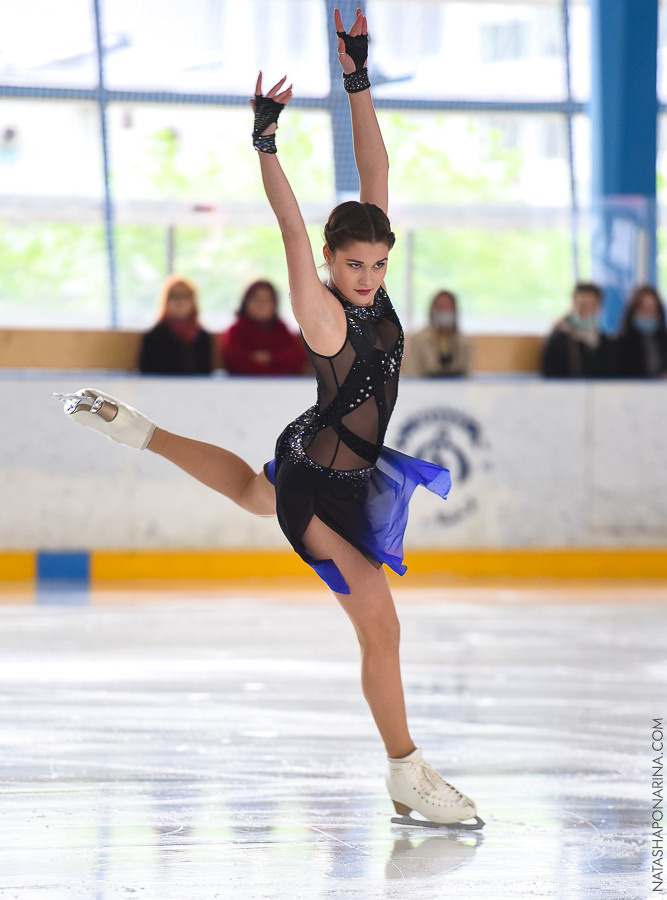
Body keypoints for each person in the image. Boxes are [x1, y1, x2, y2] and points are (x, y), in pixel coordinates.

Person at [53, 8, 482, 831]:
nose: (366, 276)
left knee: (254, 493)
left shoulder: (377, 284)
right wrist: (265, 145)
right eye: (352, 264)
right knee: (379, 625)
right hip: (321, 487)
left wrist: (355, 76)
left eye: (376, 264)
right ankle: (406, 774)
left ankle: (136, 429)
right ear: (328, 262)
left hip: (328, 457)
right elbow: (290, 226)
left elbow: (375, 170)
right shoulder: (322, 314)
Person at [221, 280, 308, 375]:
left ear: (274, 304)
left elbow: (296, 358)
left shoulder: (281, 329)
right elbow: (236, 361)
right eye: (257, 298)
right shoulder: (236, 331)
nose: (261, 304)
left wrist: (271, 358)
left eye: (267, 299)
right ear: (246, 302)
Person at [139, 275, 213, 375]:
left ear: (193, 302)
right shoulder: (153, 337)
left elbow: (206, 374)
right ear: (165, 301)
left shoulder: (202, 337)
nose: (179, 301)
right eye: (174, 296)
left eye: (185, 296)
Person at [541, 282, 613, 378]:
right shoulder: (558, 340)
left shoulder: (604, 342)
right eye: (581, 305)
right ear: (573, 305)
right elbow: (551, 376)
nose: (584, 312)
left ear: (598, 308)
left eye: (590, 306)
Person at [402, 289, 470, 377]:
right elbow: (412, 374)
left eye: (448, 307)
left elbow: (467, 375)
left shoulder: (464, 342)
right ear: (432, 309)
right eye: (441, 307)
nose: (444, 311)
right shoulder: (418, 340)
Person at [615, 284, 667, 378]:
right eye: (644, 308)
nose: (648, 313)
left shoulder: (664, 340)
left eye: (652, 308)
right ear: (634, 310)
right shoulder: (621, 343)